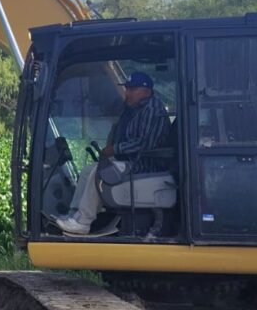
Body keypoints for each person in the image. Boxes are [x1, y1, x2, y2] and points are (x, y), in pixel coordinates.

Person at [49, 71, 170, 235]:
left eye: (132, 89)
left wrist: (115, 149)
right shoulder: (134, 109)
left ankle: (84, 222)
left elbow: (144, 144)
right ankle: (74, 215)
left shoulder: (153, 109)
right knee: (87, 171)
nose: (127, 93)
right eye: (127, 88)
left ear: (146, 91)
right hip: (131, 161)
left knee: (101, 172)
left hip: (145, 164)